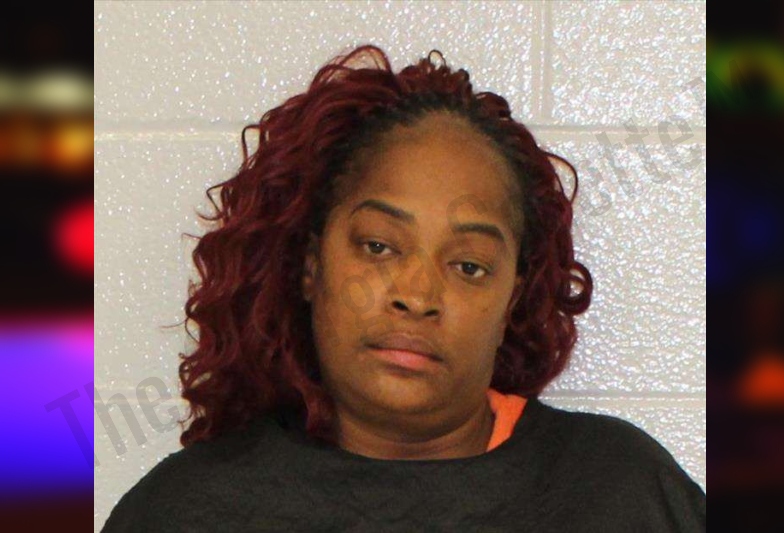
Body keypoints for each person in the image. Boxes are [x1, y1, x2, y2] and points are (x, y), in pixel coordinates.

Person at [102, 45, 705, 531]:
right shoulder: (187, 511)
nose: (417, 296)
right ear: (310, 265)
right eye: (379, 247)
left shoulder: (620, 492)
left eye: (468, 266)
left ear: (512, 300)